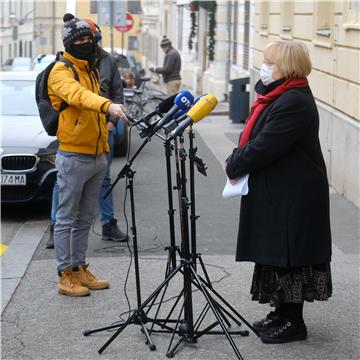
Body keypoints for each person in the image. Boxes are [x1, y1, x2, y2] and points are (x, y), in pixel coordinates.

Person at [225, 40, 332, 344]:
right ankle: (280, 313)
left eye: (270, 61)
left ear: (286, 66)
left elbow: (265, 146)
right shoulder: (278, 95)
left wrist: (233, 163)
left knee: (290, 256)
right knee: (276, 253)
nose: (265, 65)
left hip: (295, 195)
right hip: (280, 191)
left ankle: (293, 321)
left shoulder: (294, 100)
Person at [48, 13, 128, 297]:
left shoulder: (92, 68)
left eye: (88, 38)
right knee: (66, 218)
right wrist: (108, 106)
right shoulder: (60, 71)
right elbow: (80, 97)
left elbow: (102, 95)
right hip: (73, 156)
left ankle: (79, 267)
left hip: (97, 153)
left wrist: (106, 133)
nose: (85, 43)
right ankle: (64, 274)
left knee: (85, 218)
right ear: (69, 43)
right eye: (79, 40)